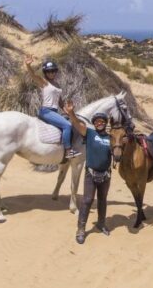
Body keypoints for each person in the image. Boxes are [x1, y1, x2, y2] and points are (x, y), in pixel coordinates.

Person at [64, 100, 114, 245]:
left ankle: (101, 223)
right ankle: (81, 229)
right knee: (86, 201)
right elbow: (77, 124)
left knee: (103, 200)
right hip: (91, 174)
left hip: (106, 175)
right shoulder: (90, 133)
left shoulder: (109, 138)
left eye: (102, 121)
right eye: (97, 121)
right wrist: (71, 113)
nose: (99, 123)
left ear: (105, 123)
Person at [25, 55, 80, 160]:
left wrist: (68, 111)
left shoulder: (57, 85)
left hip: (54, 111)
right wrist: (28, 65)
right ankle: (68, 150)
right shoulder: (44, 82)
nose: (51, 73)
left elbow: (60, 102)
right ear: (45, 73)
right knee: (67, 125)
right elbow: (33, 76)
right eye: (49, 71)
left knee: (72, 122)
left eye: (53, 71)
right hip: (46, 111)